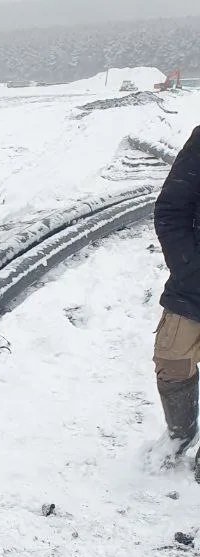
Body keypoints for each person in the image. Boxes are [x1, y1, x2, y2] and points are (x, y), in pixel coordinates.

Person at [153, 126, 200, 474]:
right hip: (193, 284)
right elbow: (170, 209)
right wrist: (189, 267)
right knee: (171, 361)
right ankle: (181, 435)